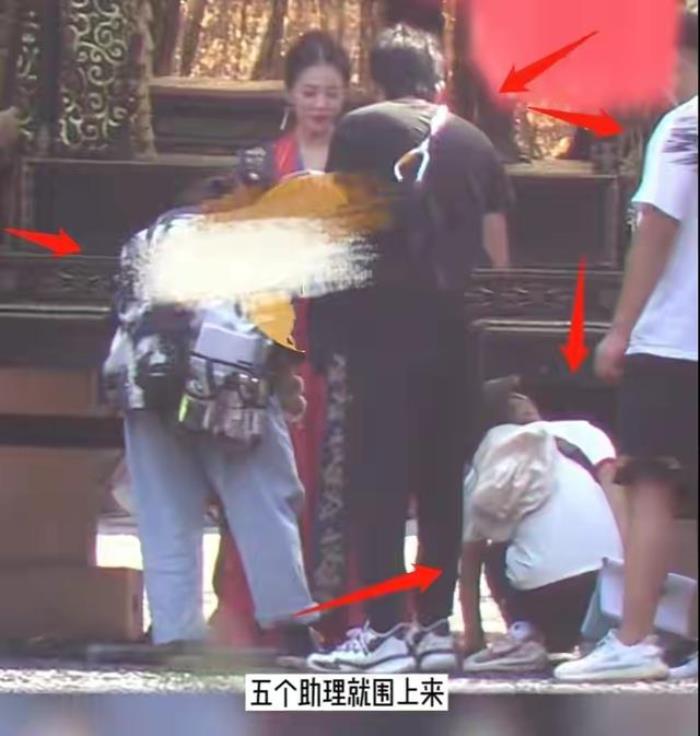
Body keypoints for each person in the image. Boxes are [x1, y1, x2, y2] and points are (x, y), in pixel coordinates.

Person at [306, 24, 510, 673]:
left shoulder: (358, 130)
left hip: (381, 332)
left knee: (380, 481)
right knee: (442, 481)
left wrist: (322, 333)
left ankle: (387, 631)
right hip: (455, 336)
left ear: (377, 79)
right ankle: (437, 630)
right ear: (437, 77)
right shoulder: (476, 142)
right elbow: (498, 258)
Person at [102, 194, 319, 657]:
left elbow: (123, 315)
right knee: (262, 501)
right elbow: (275, 332)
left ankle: (175, 631)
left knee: (164, 511)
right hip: (226, 382)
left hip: (148, 383)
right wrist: (286, 392)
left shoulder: (146, 239)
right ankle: (292, 628)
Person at [555, 13, 698, 682]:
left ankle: (635, 638)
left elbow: (658, 230)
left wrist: (620, 328)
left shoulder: (684, 127)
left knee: (650, 487)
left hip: (674, 337)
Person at [209, 30, 360, 646]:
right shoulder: (263, 163)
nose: (321, 104)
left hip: (344, 330)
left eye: (332, 93)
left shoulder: (361, 159)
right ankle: (264, 616)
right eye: (311, 92)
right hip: (277, 329)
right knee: (271, 466)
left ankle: (345, 617)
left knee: (342, 466)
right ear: (290, 95)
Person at [460, 377, 623, 673]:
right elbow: (620, 509)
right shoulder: (583, 433)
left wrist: (474, 637)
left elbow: (470, 563)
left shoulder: (484, 465)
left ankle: (525, 634)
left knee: (494, 549)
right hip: (606, 594)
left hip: (544, 601)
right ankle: (599, 638)